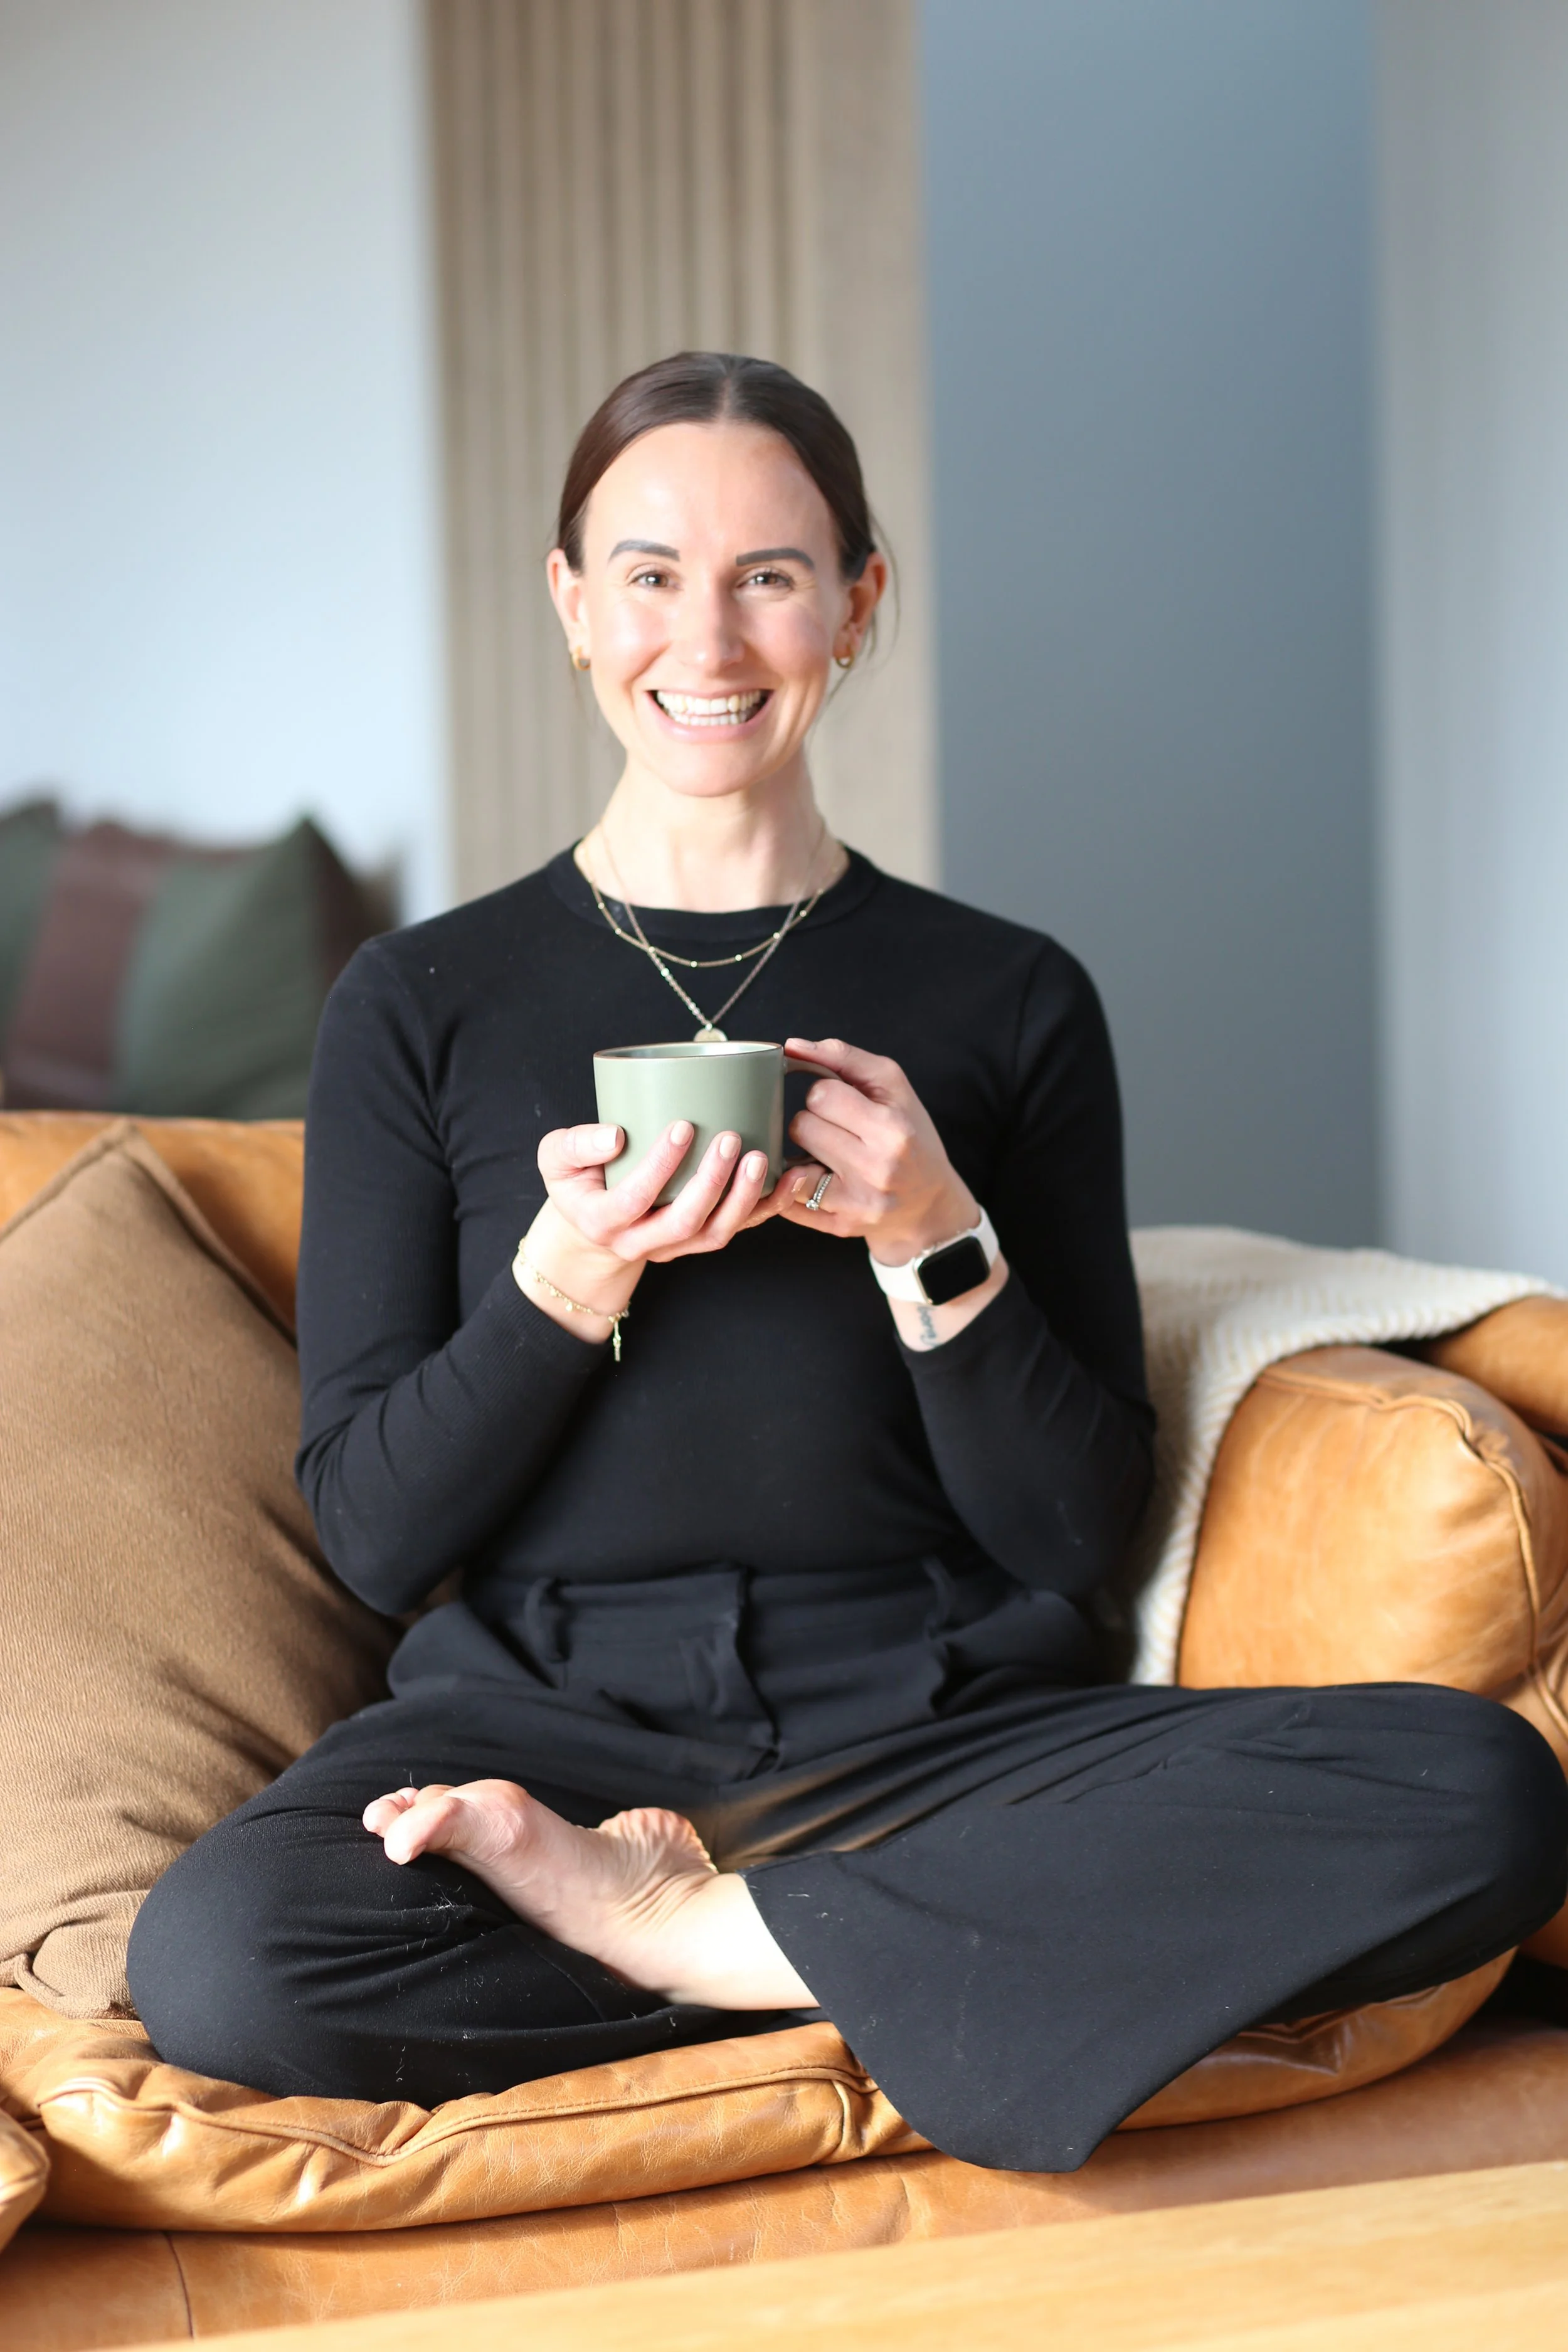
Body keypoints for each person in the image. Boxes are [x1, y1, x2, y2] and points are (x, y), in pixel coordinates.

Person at [128, 352, 1567, 2173]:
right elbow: (378, 1533)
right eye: (648, 572)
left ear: (857, 606)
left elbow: (1068, 1532)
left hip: (942, 1737)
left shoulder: (1007, 998)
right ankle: (886, 1963)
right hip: (540, 1736)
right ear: (572, 607)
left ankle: (693, 1935)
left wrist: (926, 1236)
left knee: (1480, 1789)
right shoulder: (418, 1005)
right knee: (225, 1964)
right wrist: (569, 1280)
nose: (707, 636)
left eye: (772, 575)